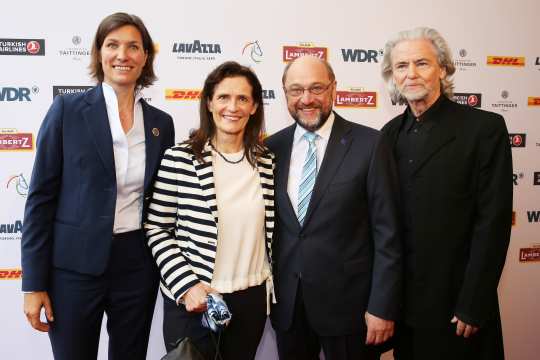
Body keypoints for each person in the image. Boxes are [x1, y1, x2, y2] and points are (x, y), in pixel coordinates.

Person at [21, 12, 175, 360]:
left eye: (134, 46)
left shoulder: (161, 125)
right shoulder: (67, 111)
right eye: (113, 45)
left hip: (136, 267)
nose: (123, 55)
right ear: (99, 53)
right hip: (73, 269)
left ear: (146, 56)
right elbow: (40, 199)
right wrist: (33, 283)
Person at [380, 27, 513, 360]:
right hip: (405, 309)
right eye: (401, 66)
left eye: (421, 63)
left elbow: (492, 223)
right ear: (392, 76)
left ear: (442, 68)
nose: (411, 74)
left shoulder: (484, 129)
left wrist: (474, 303)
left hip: (457, 309)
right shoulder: (387, 135)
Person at [265, 55, 402, 360]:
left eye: (316, 88)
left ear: (333, 89)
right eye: (296, 90)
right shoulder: (271, 149)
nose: (307, 99)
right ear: (285, 93)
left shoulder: (371, 144)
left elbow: (388, 234)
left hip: (351, 311)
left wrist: (382, 306)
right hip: (289, 308)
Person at [145, 61, 275, 360]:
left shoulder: (267, 162)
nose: (233, 106)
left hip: (250, 300)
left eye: (243, 98)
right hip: (195, 299)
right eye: (223, 97)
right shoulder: (179, 158)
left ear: (255, 106)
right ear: (209, 103)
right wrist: (186, 285)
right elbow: (156, 228)